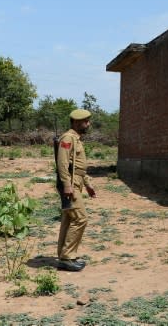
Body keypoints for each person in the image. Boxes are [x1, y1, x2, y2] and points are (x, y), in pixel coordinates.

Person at [55, 109, 96, 272]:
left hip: (76, 183)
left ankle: (64, 256)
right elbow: (63, 164)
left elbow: (77, 167)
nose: (88, 124)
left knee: (69, 219)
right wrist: (66, 185)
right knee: (80, 218)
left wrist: (87, 184)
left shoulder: (77, 140)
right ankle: (67, 257)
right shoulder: (68, 138)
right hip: (70, 185)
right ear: (77, 122)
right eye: (86, 121)